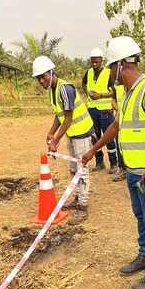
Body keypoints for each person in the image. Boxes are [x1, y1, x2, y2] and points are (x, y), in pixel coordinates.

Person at [82, 36, 145, 289]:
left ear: (122, 65)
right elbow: (116, 126)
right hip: (134, 171)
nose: (110, 73)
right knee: (141, 215)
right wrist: (92, 150)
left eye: (112, 67)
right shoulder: (129, 93)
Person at [32, 56, 94, 224]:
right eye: (38, 78)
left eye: (43, 76)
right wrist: (51, 132)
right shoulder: (53, 90)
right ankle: (78, 197)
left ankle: (83, 207)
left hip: (81, 132)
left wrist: (55, 140)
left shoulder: (64, 89)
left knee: (82, 169)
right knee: (74, 168)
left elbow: (68, 118)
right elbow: (59, 115)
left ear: (51, 72)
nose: (41, 81)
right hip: (72, 133)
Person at [82, 48, 118, 173]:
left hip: (105, 111)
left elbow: (115, 91)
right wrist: (88, 93)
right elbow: (84, 83)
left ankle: (113, 163)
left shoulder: (108, 73)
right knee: (94, 136)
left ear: (101, 61)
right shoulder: (89, 72)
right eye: (92, 62)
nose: (94, 64)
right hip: (92, 110)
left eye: (96, 62)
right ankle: (99, 162)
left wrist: (101, 95)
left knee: (108, 137)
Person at [111, 83, 127, 182]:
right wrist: (120, 111)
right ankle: (122, 170)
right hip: (120, 119)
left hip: (132, 120)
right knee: (119, 145)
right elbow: (113, 101)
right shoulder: (117, 86)